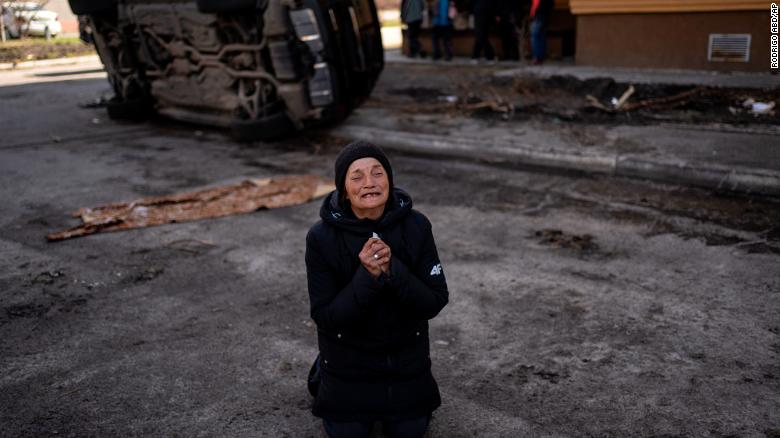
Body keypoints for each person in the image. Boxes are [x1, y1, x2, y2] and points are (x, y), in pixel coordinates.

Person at [305, 141, 449, 438]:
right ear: (343, 190)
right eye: (356, 177)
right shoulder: (321, 238)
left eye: (377, 173)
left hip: (405, 362)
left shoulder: (417, 226)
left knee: (409, 432)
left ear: (390, 181)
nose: (369, 183)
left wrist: (393, 270)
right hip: (348, 364)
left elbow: (434, 301)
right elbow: (325, 316)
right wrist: (367, 277)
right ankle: (323, 370)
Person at [530, 0, 554, 64]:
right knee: (541, 37)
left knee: (534, 36)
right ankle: (541, 57)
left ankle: (537, 57)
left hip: (539, 17)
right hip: (542, 17)